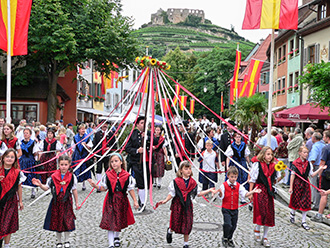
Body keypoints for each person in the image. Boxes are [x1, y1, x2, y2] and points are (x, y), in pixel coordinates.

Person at [158, 160, 217, 248]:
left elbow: (198, 193)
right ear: (181, 170)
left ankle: (186, 244)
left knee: (187, 223)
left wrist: (209, 190)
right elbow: (172, 193)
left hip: (188, 206)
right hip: (177, 205)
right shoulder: (176, 181)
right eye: (186, 169)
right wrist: (165, 200)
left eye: (189, 168)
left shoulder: (193, 183)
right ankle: (170, 231)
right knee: (175, 222)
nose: (188, 170)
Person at [88, 153, 139, 248]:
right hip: (110, 200)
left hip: (122, 201)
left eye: (116, 161)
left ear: (121, 162)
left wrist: (135, 201)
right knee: (110, 222)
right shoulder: (107, 175)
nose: (114, 163)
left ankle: (116, 237)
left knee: (118, 221)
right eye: (112, 162)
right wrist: (96, 186)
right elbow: (104, 188)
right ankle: (111, 244)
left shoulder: (127, 176)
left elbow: (130, 189)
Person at [32, 155, 79, 248]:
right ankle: (59, 241)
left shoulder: (72, 177)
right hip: (56, 202)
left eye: (66, 164)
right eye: (62, 164)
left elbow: (74, 190)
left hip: (67, 201)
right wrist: (40, 185)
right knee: (57, 221)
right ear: (58, 164)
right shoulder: (53, 176)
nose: (63, 166)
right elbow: (46, 188)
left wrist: (77, 203)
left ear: (69, 165)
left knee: (67, 221)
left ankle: (67, 240)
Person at [249, 146, 285, 247]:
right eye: (268, 154)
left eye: (271, 154)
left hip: (269, 191)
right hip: (260, 189)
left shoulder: (274, 166)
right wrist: (251, 192)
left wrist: (281, 176)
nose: (270, 156)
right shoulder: (257, 165)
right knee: (261, 211)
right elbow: (252, 179)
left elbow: (274, 181)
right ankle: (257, 227)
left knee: (268, 213)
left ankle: (265, 237)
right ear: (263, 155)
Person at [218, 166, 261, 247]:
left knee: (234, 225)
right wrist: (220, 193)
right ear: (228, 176)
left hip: (235, 209)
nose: (233, 179)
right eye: (232, 177)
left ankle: (230, 238)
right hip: (226, 209)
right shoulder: (223, 185)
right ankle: (225, 237)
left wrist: (253, 191)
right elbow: (221, 196)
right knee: (227, 224)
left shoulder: (239, 185)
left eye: (235, 177)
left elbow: (245, 194)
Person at [289, 146, 326, 229]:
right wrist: (291, 187)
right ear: (299, 153)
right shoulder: (295, 163)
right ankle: (292, 213)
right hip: (297, 184)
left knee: (305, 202)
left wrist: (320, 169)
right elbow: (292, 175)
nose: (306, 154)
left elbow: (312, 175)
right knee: (296, 200)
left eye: (307, 153)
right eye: (304, 152)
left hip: (305, 184)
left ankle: (303, 221)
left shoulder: (308, 164)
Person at [0, 149, 26, 248]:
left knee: (7, 224)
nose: (9, 159)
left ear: (15, 159)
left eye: (12, 157)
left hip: (10, 201)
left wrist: (21, 201)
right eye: (7, 156)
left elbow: (19, 187)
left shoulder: (17, 172)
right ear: (3, 158)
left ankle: (7, 245)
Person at [125, 116, 150, 210]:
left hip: (148, 162)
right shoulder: (133, 134)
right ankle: (142, 203)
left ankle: (142, 200)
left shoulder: (149, 134)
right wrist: (136, 150)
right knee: (140, 183)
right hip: (137, 162)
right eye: (142, 123)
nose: (144, 125)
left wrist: (147, 138)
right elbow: (127, 148)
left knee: (146, 183)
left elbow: (156, 141)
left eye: (145, 123)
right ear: (137, 124)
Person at [311, 130, 330, 222]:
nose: (323, 138)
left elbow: (322, 162)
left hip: (326, 173)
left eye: (324, 136)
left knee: (323, 193)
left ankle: (319, 214)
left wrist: (319, 174)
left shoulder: (326, 148)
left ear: (327, 138)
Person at [93, 122, 117, 190]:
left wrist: (110, 148)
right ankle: (99, 185)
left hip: (107, 155)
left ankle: (107, 184)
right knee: (98, 169)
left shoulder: (111, 134)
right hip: (99, 154)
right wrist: (94, 154)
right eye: (103, 126)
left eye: (106, 126)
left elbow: (115, 144)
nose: (104, 127)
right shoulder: (97, 134)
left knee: (107, 169)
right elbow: (94, 144)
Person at [71, 124, 93, 191]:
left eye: (84, 129)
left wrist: (85, 145)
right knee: (76, 169)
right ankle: (74, 184)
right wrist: (71, 155)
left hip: (84, 154)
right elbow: (73, 147)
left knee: (84, 169)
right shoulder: (75, 137)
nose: (83, 130)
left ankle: (84, 184)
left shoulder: (87, 137)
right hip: (77, 155)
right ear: (79, 130)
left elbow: (90, 146)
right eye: (82, 129)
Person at [19, 128, 39, 199]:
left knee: (31, 175)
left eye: (27, 133)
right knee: (21, 176)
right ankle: (19, 193)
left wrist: (36, 155)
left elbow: (35, 152)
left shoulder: (33, 142)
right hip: (22, 160)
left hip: (30, 160)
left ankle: (33, 191)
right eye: (24, 133)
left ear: (30, 135)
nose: (25, 134)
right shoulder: (20, 142)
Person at [308, 132, 324, 211]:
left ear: (314, 138)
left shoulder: (315, 147)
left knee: (315, 186)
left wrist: (309, 167)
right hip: (323, 167)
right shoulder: (323, 145)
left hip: (316, 167)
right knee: (322, 186)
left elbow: (313, 159)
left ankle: (316, 204)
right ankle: (324, 203)